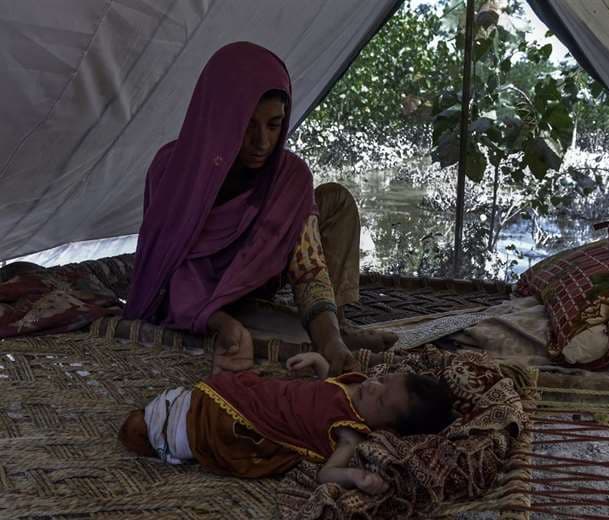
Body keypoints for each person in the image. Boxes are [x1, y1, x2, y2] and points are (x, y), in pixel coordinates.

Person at [123, 41, 394, 375]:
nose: (262, 143)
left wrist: (331, 344)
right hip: (204, 297)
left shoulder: (288, 176)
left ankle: (335, 329)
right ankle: (321, 332)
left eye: (274, 125)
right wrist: (218, 320)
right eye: (247, 125)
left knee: (335, 199)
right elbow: (166, 271)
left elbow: (308, 267)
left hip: (261, 279)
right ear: (218, 117)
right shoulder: (172, 170)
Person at [118, 352, 454, 493]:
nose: (373, 387)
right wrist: (319, 362)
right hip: (257, 395)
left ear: (387, 429)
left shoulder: (349, 433)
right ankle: (167, 418)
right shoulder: (358, 385)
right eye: (384, 379)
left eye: (380, 401)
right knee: (202, 396)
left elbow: (326, 474)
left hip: (253, 423)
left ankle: (164, 432)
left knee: (204, 426)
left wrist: (354, 476)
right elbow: (327, 390)